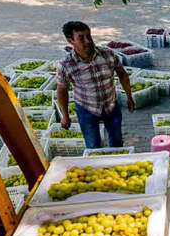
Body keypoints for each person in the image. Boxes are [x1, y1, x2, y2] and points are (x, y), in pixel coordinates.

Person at [55, 21, 134, 149]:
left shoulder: (108, 55)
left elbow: (123, 74)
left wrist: (129, 97)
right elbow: (61, 90)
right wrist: (65, 116)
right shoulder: (66, 65)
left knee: (117, 143)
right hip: (87, 108)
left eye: (89, 36)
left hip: (111, 105)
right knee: (93, 146)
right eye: (81, 37)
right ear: (71, 41)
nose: (88, 41)